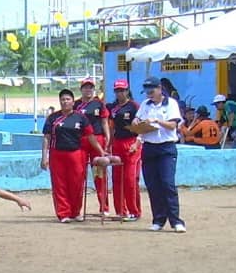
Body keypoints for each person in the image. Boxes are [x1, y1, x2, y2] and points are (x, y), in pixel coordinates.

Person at [42, 88, 107, 223]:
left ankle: (76, 212)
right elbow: (46, 138)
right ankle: (63, 213)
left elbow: (90, 136)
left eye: (68, 99)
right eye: (63, 100)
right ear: (60, 102)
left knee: (77, 184)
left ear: (73, 102)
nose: (65, 102)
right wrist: (44, 157)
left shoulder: (81, 118)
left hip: (76, 154)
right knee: (60, 185)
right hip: (57, 154)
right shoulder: (52, 118)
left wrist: (101, 151)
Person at [134, 77, 186, 233]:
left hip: (166, 148)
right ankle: (158, 219)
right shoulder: (145, 105)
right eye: (147, 92)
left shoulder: (171, 104)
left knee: (168, 184)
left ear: (159, 89)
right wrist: (137, 122)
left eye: (152, 91)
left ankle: (176, 220)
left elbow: (172, 125)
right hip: (149, 147)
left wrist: (157, 120)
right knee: (153, 185)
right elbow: (138, 118)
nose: (149, 95)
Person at [75, 77, 112, 216]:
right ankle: (76, 209)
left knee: (99, 174)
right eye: (85, 87)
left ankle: (104, 207)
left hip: (97, 140)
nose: (88, 90)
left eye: (90, 87)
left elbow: (104, 122)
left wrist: (107, 137)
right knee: (78, 175)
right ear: (81, 89)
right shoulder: (76, 104)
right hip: (81, 141)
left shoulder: (99, 104)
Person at [107, 79, 142, 221]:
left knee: (130, 179)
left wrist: (137, 143)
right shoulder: (113, 108)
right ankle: (120, 211)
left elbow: (142, 126)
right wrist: (109, 144)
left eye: (122, 90)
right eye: (117, 91)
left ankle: (134, 211)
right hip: (117, 144)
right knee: (117, 179)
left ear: (127, 91)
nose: (119, 93)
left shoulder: (134, 106)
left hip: (131, 143)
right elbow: (111, 127)